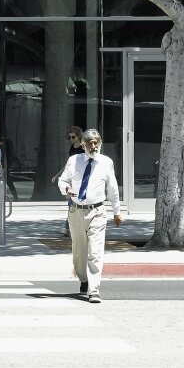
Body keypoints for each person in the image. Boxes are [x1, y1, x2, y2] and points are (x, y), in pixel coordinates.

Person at [57, 127, 124, 301]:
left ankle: (94, 289)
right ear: (84, 145)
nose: (94, 146)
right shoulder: (74, 161)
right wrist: (67, 188)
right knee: (79, 252)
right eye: (90, 143)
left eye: (96, 142)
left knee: (95, 252)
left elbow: (113, 188)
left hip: (97, 211)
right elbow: (62, 180)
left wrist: (117, 211)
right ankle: (83, 279)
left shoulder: (106, 162)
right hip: (76, 211)